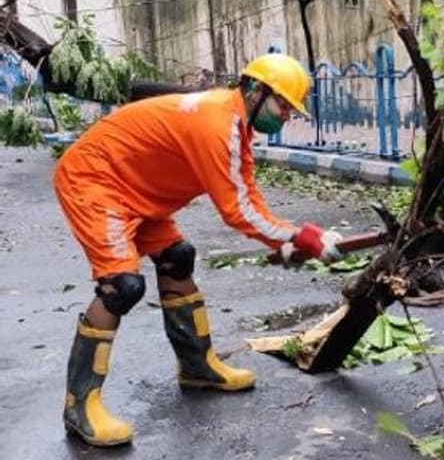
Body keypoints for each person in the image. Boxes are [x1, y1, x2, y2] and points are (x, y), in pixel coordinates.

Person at [56, 53, 346, 447]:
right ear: (257, 91)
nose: (286, 117)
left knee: (178, 257)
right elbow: (238, 211)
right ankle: (79, 405)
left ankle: (197, 368)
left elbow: (249, 199)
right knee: (122, 286)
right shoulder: (217, 123)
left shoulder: (234, 125)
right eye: (283, 105)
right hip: (95, 181)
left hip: (134, 187)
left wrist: (288, 239)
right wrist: (301, 236)